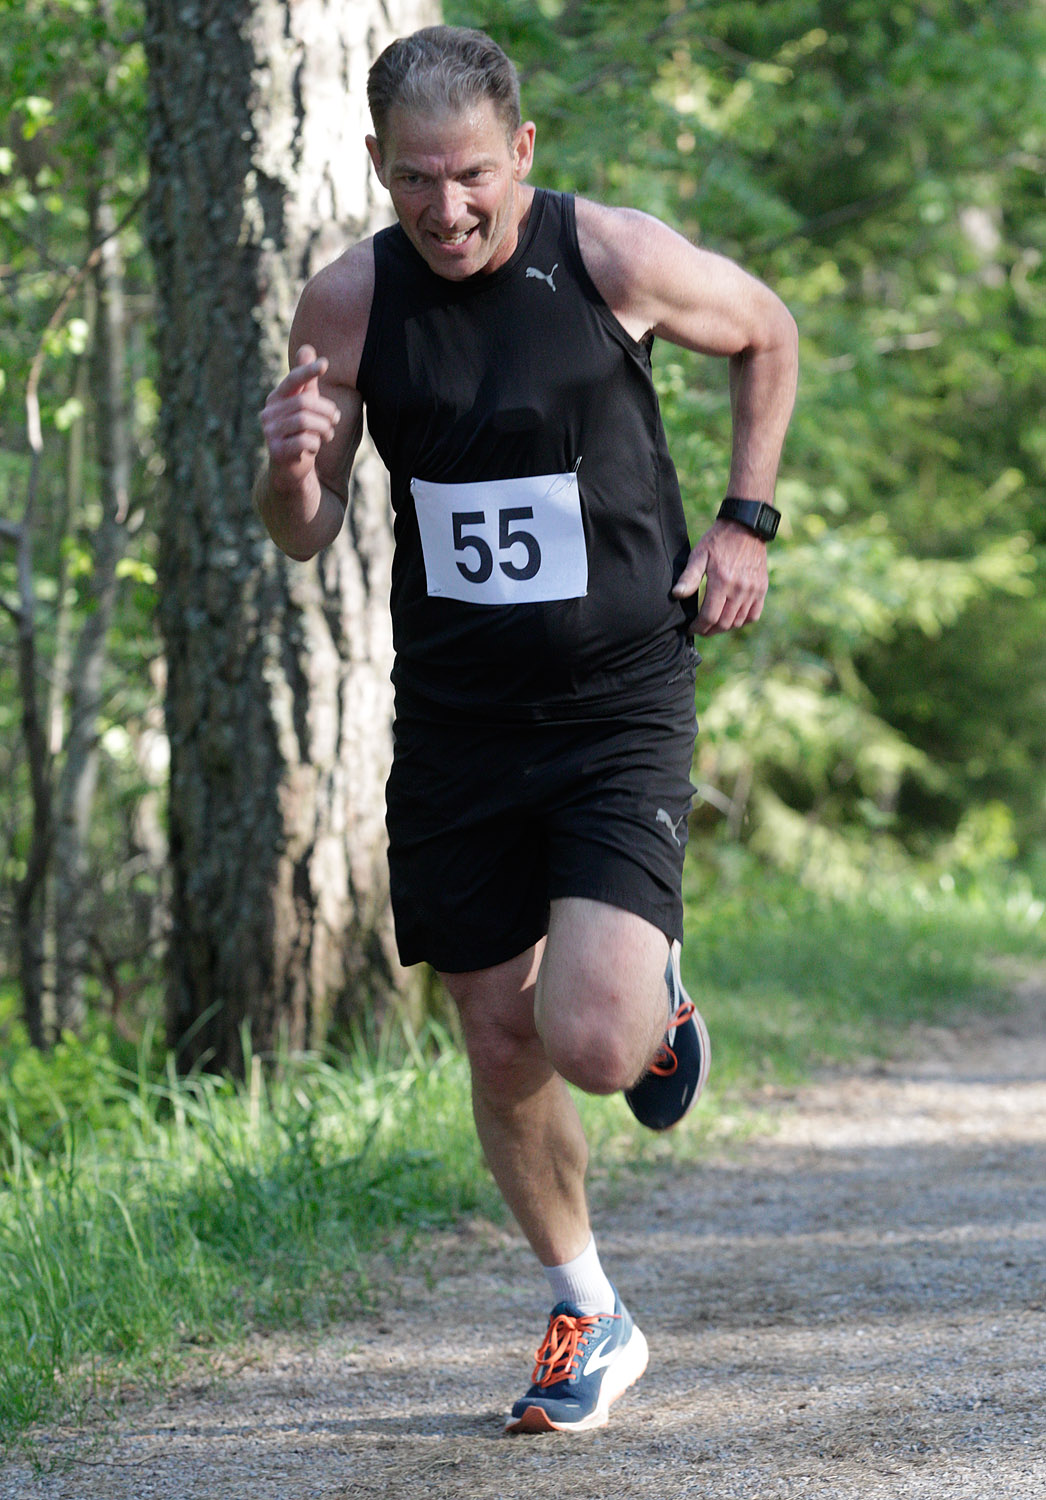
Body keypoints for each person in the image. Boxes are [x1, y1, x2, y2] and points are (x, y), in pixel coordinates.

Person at [256, 25, 797, 1435]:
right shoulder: (349, 301)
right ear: (377, 166)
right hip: (456, 722)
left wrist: (745, 520)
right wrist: (291, 473)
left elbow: (767, 330)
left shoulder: (606, 254)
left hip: (617, 698)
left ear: (522, 154)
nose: (446, 209)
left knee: (596, 1045)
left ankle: (648, 992)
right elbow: (305, 531)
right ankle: (587, 1308)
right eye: (416, 179)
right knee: (501, 1041)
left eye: (473, 176)